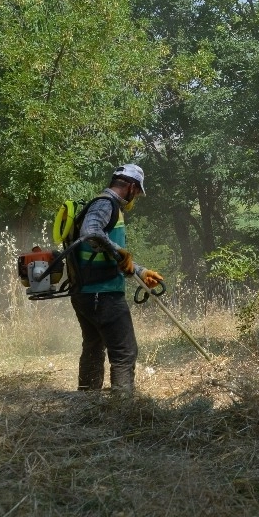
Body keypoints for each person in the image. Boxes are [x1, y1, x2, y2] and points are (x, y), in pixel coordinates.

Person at [70, 163, 163, 392]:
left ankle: (88, 403)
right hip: (103, 294)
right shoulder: (106, 203)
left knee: (93, 346)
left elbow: (115, 255)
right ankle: (122, 407)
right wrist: (117, 251)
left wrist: (140, 271)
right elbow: (91, 233)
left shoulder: (105, 205)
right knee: (124, 351)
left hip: (86, 292)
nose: (136, 198)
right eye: (137, 193)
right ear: (131, 187)